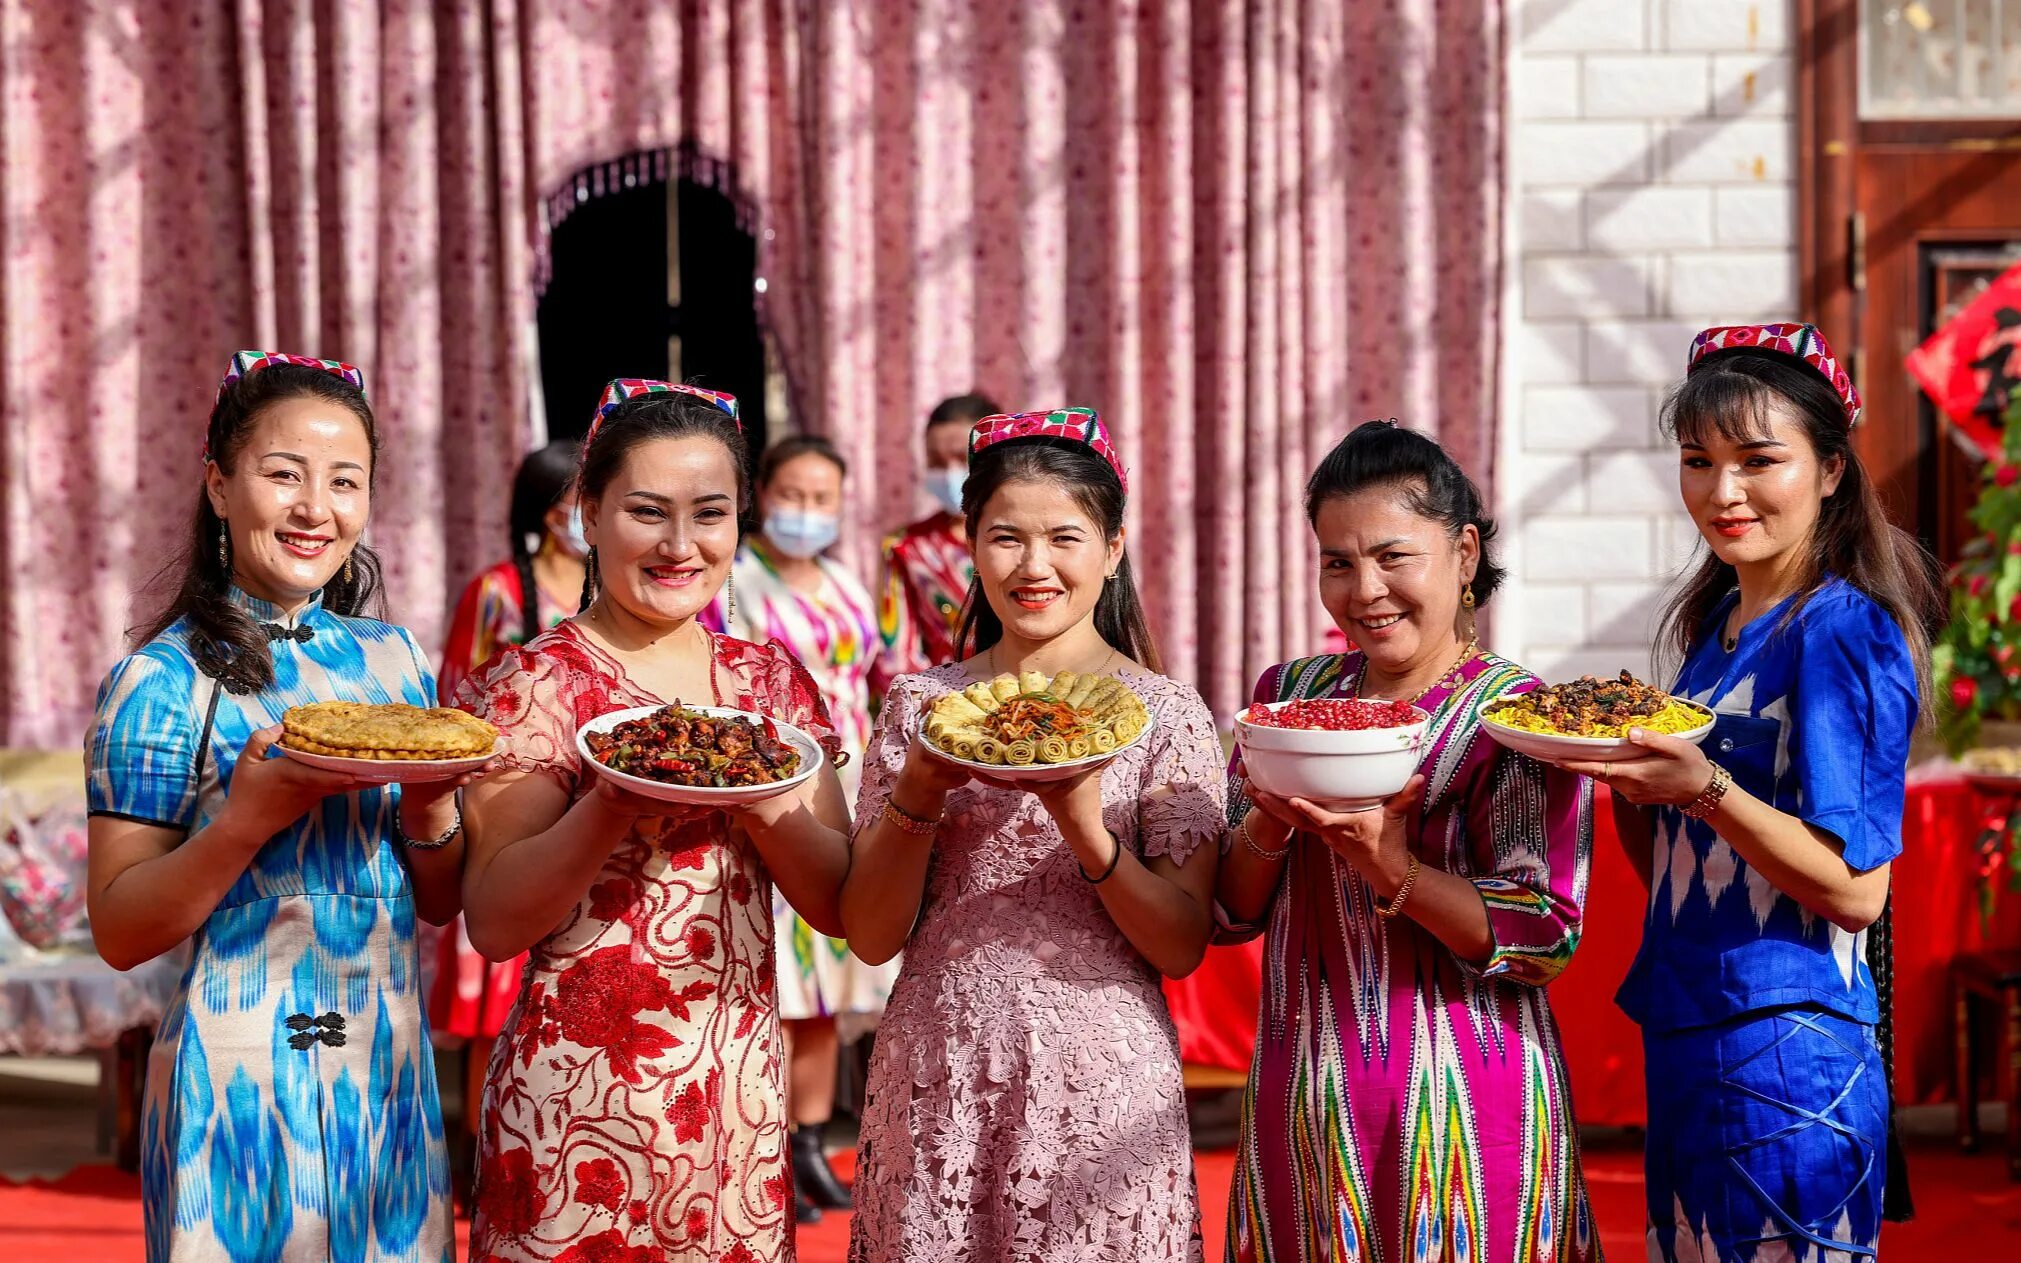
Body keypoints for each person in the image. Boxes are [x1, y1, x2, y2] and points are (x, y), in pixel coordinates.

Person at [85, 351, 480, 1262]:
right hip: (235, 1081)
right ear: (219, 487)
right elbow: (120, 926)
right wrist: (247, 821)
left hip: (386, 1072)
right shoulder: (161, 677)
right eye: (283, 475)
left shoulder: (396, 663)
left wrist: (428, 809)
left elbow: (440, 898)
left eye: (346, 481)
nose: (316, 508)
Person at [1559, 324, 1942, 1262]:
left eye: (1757, 460)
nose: (1720, 492)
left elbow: (1856, 890)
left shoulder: (1842, 629)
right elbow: (1673, 863)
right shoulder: (1715, 624)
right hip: (1691, 1025)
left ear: (1830, 470)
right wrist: (1627, 777)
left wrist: (1706, 785)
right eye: (1698, 461)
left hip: (1790, 1047)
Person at [455, 380, 855, 1263]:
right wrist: (610, 803)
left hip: (737, 1105)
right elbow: (495, 920)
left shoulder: (770, 689)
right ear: (587, 514)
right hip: (572, 1107)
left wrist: (756, 789)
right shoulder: (536, 683)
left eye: (709, 513)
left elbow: (837, 907)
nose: (681, 546)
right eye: (646, 511)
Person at [842, 407, 1225, 1262]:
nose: (1034, 565)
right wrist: (918, 789)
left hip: (1105, 1082)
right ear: (971, 544)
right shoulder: (920, 707)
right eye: (1006, 537)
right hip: (937, 1066)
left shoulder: (1167, 716)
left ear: (1113, 549)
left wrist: (1083, 827)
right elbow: (869, 935)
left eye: (1064, 537)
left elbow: (1180, 942)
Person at [1214, 421, 1598, 1263]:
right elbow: (1229, 907)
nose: (1365, 590)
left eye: (1393, 557)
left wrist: (1390, 864)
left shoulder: (1518, 714)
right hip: (1304, 1086)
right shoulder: (1287, 696)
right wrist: (1273, 813)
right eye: (1337, 562)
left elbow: (1543, 936)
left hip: (1470, 1098)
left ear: (1463, 553)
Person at [702, 432, 891, 1223]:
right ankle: (766, 1140)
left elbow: (876, 673)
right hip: (774, 784)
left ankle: (811, 1139)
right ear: (759, 497)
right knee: (779, 972)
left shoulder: (849, 581)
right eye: (792, 494)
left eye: (823, 498)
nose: (807, 511)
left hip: (843, 781)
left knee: (827, 980)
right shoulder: (734, 583)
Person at [432, 437, 582, 1194]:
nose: (578, 516)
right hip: (503, 803)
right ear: (542, 509)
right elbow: (457, 692)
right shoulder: (497, 589)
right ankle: (475, 1147)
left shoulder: (613, 591)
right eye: (567, 498)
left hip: (588, 814)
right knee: (490, 983)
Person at [436, 439, 584, 703]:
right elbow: (456, 688)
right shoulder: (495, 589)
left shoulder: (608, 587)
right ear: (552, 517)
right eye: (586, 500)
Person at [872, 392, 1000, 694]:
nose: (950, 473)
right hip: (946, 705)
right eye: (937, 461)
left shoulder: (1030, 536)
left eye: (960, 459)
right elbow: (896, 653)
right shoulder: (907, 547)